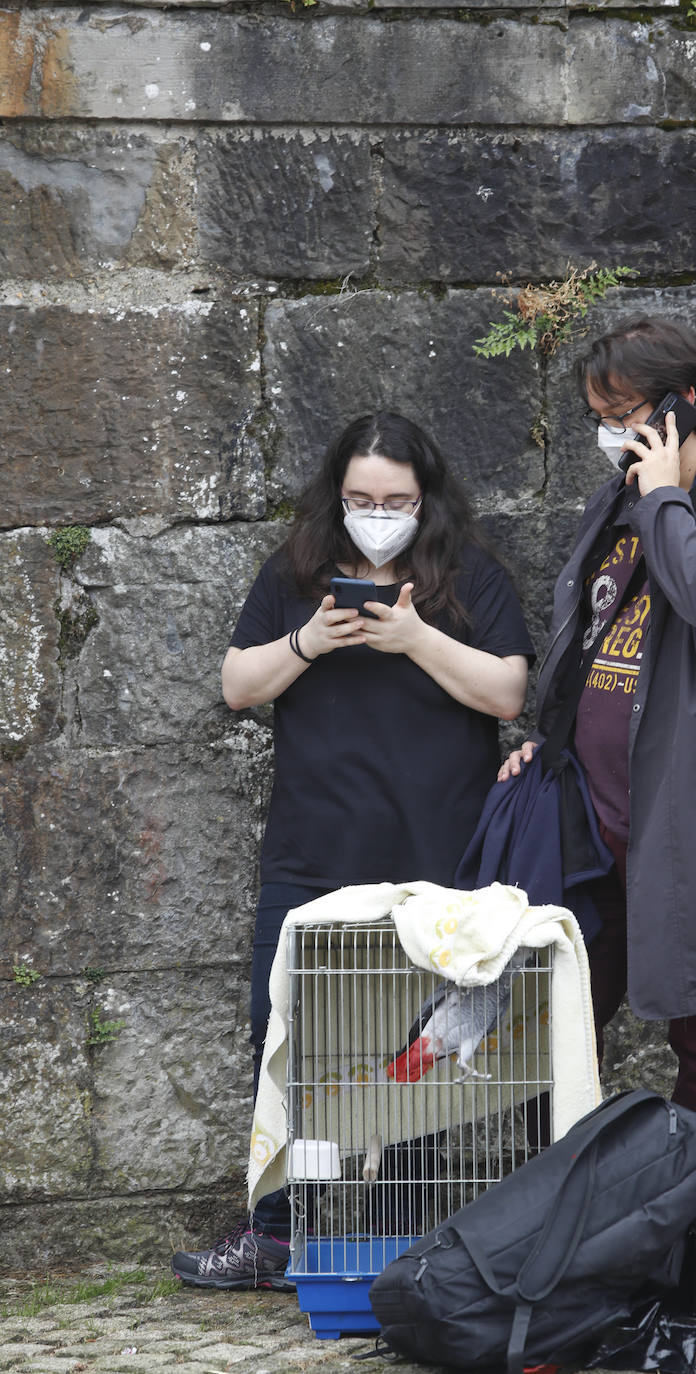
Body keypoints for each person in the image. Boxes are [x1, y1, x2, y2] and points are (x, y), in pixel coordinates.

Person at [171, 410, 533, 1289]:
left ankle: (401, 1239)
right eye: (361, 498)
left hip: (436, 858)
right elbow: (236, 686)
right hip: (312, 852)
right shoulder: (296, 574)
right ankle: (276, 1230)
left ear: (426, 498)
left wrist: (415, 638)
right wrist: (307, 641)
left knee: (423, 1052)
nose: (379, 512)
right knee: (288, 1039)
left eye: (397, 499)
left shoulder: (468, 577)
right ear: (336, 498)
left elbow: (507, 692)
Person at [499, 315, 696, 1195]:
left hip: (695, 817)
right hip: (595, 814)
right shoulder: (628, 495)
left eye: (625, 409)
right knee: (558, 1018)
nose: (611, 431)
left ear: (681, 405)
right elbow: (590, 630)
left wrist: (667, 495)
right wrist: (543, 747)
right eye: (599, 413)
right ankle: (561, 1209)